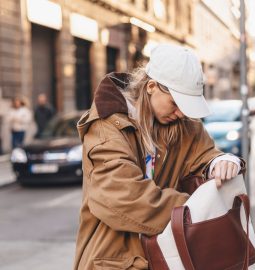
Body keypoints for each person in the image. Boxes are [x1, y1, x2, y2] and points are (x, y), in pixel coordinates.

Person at [73, 44, 246, 270]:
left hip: (168, 258)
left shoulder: (181, 122)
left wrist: (220, 161)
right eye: (176, 103)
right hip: (114, 261)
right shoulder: (106, 128)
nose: (181, 112)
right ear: (152, 86)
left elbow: (204, 154)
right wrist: (196, 210)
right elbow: (124, 197)